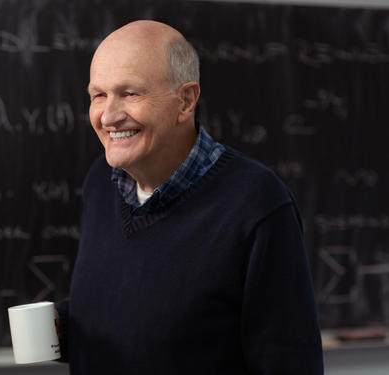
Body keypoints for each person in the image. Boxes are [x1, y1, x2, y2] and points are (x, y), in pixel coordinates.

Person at [54, 20, 323, 374]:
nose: (109, 116)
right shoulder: (99, 182)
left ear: (185, 100)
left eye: (130, 93)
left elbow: (289, 362)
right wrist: (62, 325)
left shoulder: (257, 203)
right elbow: (143, 317)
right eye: (98, 95)